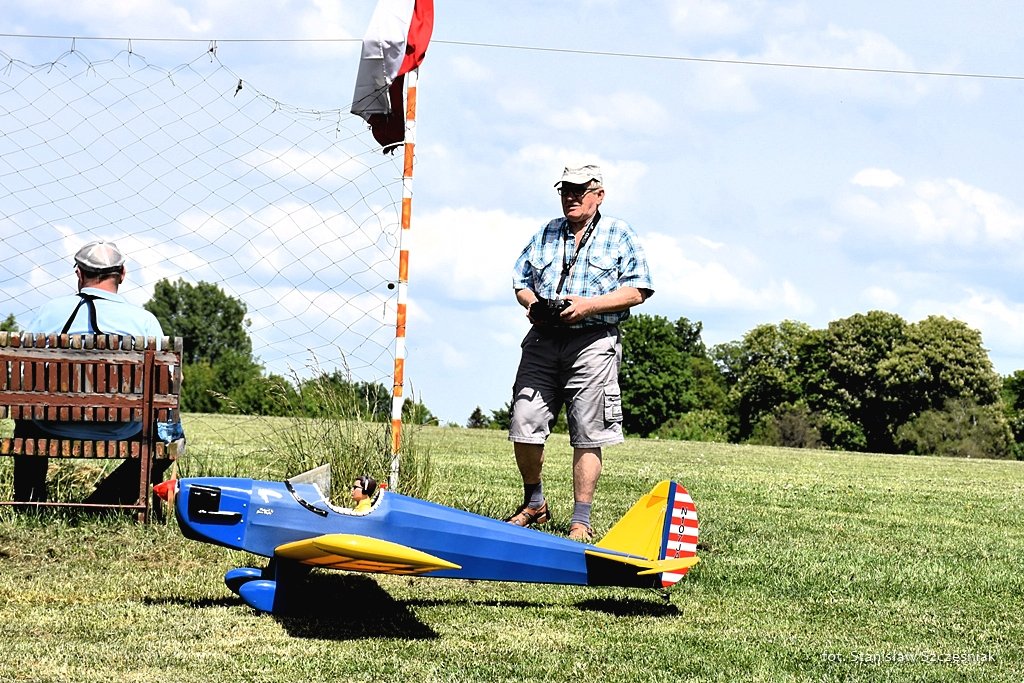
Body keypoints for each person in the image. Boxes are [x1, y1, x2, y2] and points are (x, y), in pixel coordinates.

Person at [506, 164, 654, 542]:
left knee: (588, 433)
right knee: (524, 423)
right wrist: (533, 304)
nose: (570, 197)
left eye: (579, 191)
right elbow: (520, 280)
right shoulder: (547, 232)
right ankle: (534, 503)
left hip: (594, 340)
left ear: (598, 195)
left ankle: (580, 521)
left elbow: (638, 290)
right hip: (543, 339)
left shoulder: (620, 233)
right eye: (565, 191)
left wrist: (588, 306)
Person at [13, 239, 167, 503]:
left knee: (26, 418)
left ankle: (29, 501)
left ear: (79, 273)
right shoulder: (143, 321)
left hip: (50, 425)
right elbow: (169, 380)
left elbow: (20, 370)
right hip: (122, 427)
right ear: (122, 274)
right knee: (170, 438)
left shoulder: (49, 312)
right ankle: (106, 501)